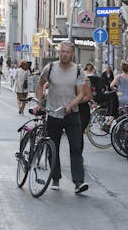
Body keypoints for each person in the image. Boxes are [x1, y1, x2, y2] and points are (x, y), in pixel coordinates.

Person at [33, 41, 90, 194]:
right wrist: (39, 102)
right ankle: (55, 178)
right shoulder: (50, 68)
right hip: (53, 113)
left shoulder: (78, 71)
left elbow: (82, 94)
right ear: (59, 52)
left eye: (68, 52)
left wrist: (71, 105)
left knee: (76, 147)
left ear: (72, 53)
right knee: (53, 146)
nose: (65, 54)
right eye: (62, 51)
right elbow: (40, 84)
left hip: (72, 114)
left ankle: (79, 182)